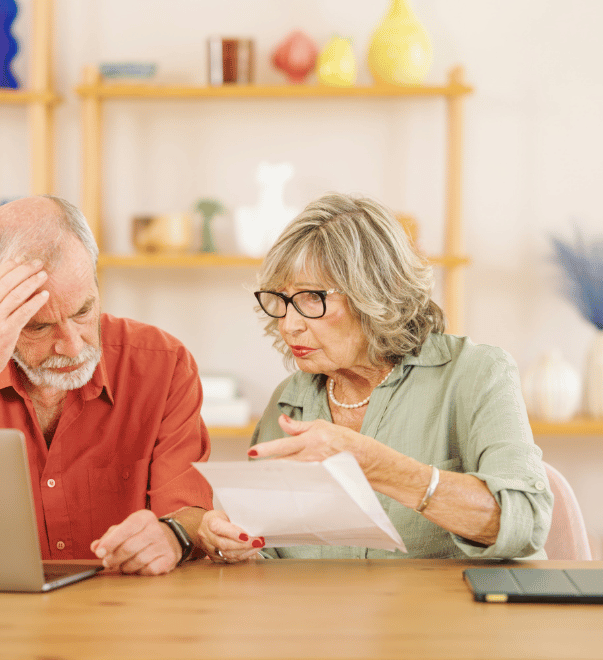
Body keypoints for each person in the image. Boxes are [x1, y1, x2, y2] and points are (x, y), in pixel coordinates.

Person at [198, 193, 554, 562]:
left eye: (311, 298)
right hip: (320, 619)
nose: (289, 325)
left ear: (380, 293)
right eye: (282, 299)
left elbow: (525, 523)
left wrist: (375, 466)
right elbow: (275, 552)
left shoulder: (476, 374)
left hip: (446, 617)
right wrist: (239, 547)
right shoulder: (289, 399)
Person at [0, 195, 213, 575]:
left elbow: (189, 510)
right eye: (38, 326)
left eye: (84, 311)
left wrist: (172, 536)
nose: (73, 346)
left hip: (123, 610)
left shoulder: (163, 363)